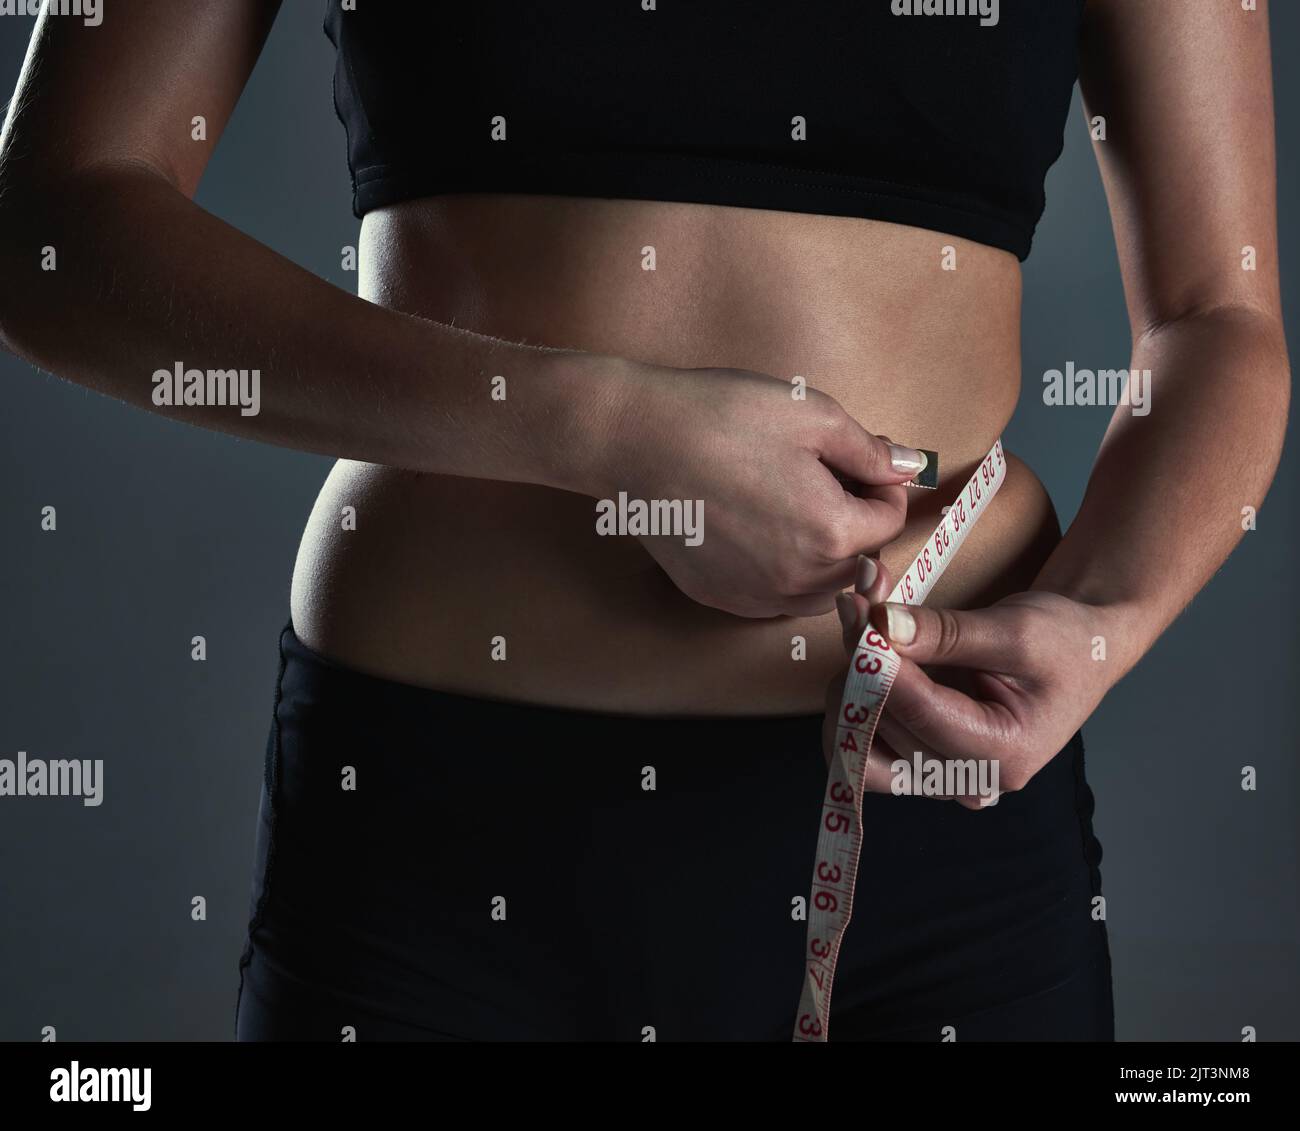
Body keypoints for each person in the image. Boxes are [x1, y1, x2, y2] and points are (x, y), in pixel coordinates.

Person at [0, 1, 1287, 1041]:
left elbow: (1216, 319)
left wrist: (1098, 622)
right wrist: (599, 429)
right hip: (439, 845)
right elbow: (51, 223)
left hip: (934, 838)